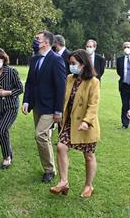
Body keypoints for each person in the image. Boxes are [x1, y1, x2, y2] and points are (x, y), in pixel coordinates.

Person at [49, 49, 100, 198]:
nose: (71, 66)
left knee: (89, 155)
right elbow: (64, 99)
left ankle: (89, 185)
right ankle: (63, 182)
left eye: (73, 63)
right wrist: (58, 113)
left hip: (86, 125)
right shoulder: (70, 78)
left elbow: (93, 105)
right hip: (69, 122)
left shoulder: (94, 82)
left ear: (83, 64)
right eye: (70, 63)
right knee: (60, 146)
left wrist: (86, 121)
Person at [22, 30, 66, 183]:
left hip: (50, 107)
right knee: (44, 137)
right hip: (37, 106)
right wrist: (26, 101)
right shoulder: (34, 60)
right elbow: (30, 83)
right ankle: (49, 168)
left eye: (37, 39)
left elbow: (61, 87)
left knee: (40, 135)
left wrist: (58, 110)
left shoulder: (56, 60)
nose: (34, 41)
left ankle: (50, 170)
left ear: (46, 42)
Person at [0, 48, 23, 169]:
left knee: (1, 131)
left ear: (3, 59)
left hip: (10, 107)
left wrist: (7, 92)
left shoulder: (12, 71)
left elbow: (20, 89)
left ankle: (6, 158)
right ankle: (9, 154)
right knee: (4, 133)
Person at [115, 41, 130, 129]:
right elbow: (119, 72)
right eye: (125, 47)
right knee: (125, 105)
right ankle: (125, 124)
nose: (127, 49)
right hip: (124, 85)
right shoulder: (119, 60)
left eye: (128, 47)